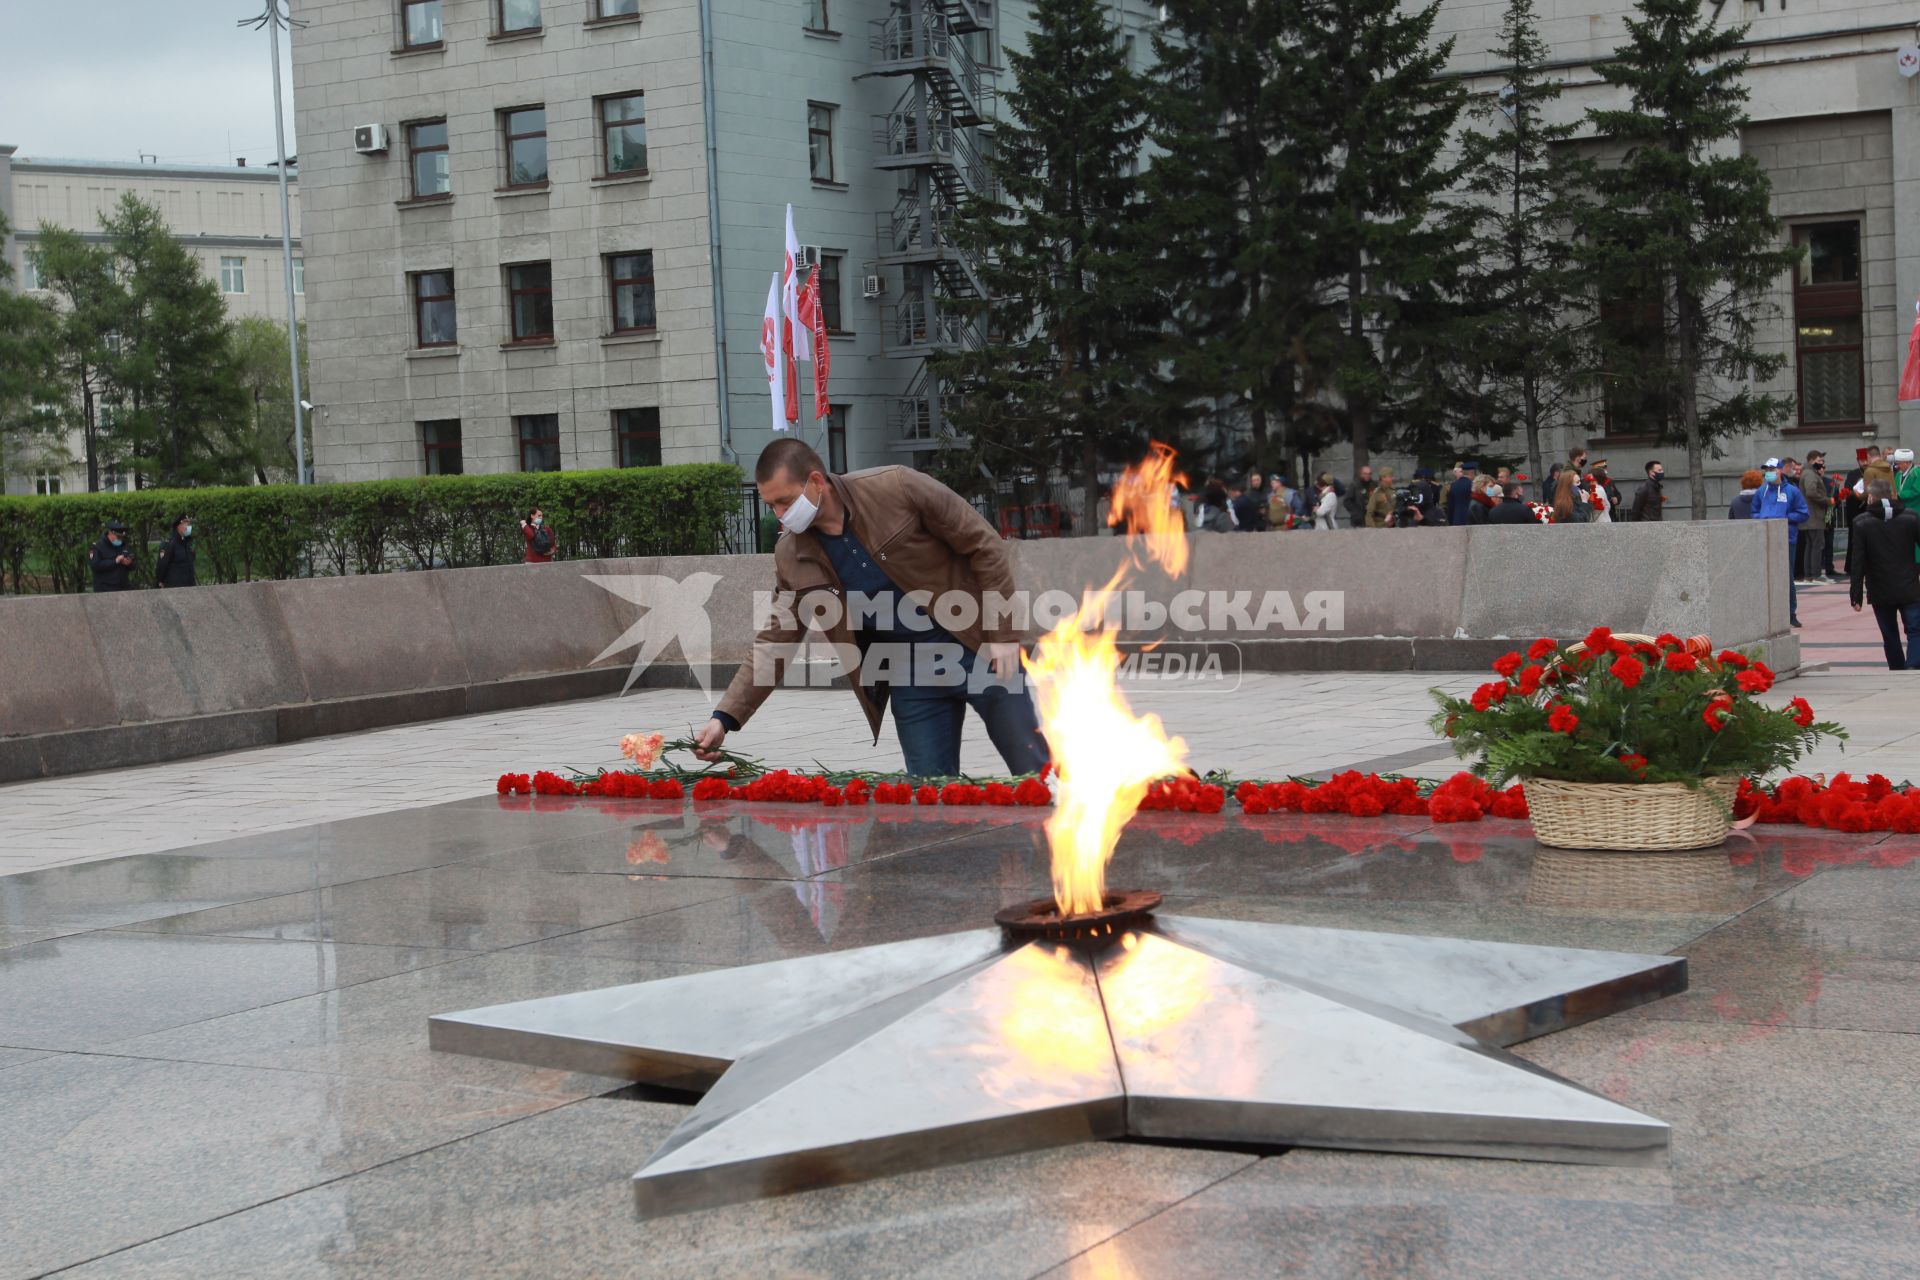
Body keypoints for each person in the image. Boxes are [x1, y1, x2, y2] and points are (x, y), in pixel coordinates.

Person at [694, 438, 1048, 779]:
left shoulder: (896, 487)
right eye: (771, 505)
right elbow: (776, 638)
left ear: (816, 481)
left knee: (1034, 769)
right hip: (911, 676)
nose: (779, 515)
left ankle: (1077, 835)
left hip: (977, 647)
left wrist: (1002, 635)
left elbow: (985, 546)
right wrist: (725, 717)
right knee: (930, 799)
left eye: (785, 502)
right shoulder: (792, 554)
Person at [1848, 478, 1920, 669]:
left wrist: (1856, 594)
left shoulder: (1861, 522)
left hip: (1879, 587)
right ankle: (1913, 664)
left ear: (1871, 497)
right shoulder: (1911, 517)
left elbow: (1858, 561)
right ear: (1893, 495)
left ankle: (1897, 668)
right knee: (1915, 629)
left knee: (1889, 634)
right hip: (1909, 585)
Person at [1752, 461, 1808, 628]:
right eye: (1766, 469)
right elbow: (1754, 512)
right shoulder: (1762, 491)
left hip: (1786, 539)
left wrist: (1785, 519)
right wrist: (1762, 520)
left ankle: (1791, 613)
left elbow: (1803, 513)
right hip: (1765, 537)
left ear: (1780, 470)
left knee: (1787, 576)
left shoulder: (1792, 491)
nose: (1769, 472)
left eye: (1772, 469)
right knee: (1765, 575)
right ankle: (1767, 613)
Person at [1797, 451, 1833, 584]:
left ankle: (1809, 575)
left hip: (1810, 516)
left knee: (1811, 545)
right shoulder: (1810, 474)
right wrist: (1827, 500)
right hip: (1814, 516)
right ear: (1812, 460)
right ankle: (1816, 574)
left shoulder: (1808, 473)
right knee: (1817, 545)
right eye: (1819, 460)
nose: (1822, 462)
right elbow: (1811, 492)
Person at [89, 520, 135, 593]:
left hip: (123, 588)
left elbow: (134, 563)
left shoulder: (124, 545)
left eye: (121, 537)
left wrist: (129, 563)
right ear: (111, 533)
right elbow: (95, 565)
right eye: (118, 537)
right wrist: (115, 561)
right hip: (105, 589)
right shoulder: (98, 546)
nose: (120, 539)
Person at [154, 514, 197, 588]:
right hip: (174, 587)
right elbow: (162, 565)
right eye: (185, 523)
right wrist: (160, 581)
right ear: (178, 526)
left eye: (189, 523)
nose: (188, 526)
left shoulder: (187, 543)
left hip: (189, 586)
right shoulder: (169, 544)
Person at [1446, 462, 1477, 527]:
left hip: (1456, 519)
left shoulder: (1453, 485)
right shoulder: (1473, 485)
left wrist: (1450, 520)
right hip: (1471, 520)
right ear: (1472, 472)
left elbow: (1450, 505)